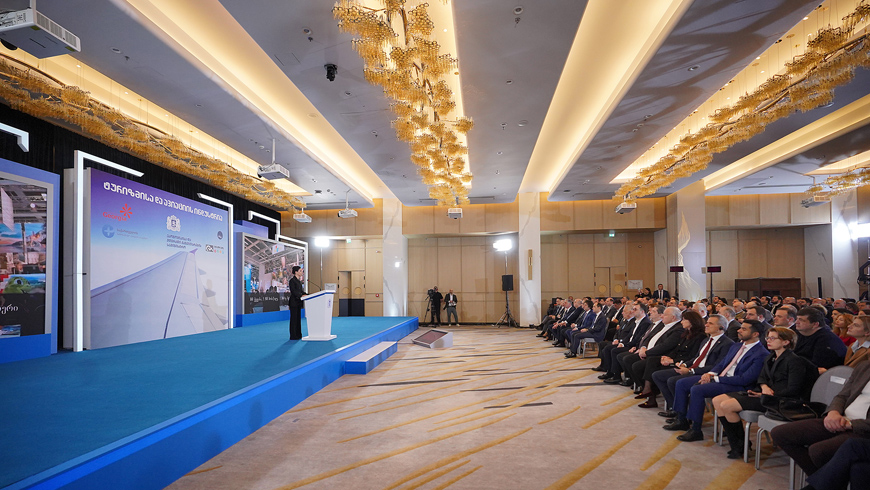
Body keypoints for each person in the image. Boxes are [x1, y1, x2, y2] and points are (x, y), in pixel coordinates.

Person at [712, 327, 816, 459]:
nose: (768, 341)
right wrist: (764, 386)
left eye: (773, 338)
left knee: (727, 406)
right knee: (717, 400)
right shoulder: (770, 357)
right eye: (768, 338)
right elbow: (761, 377)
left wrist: (766, 394)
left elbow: (793, 389)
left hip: (781, 400)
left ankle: (739, 445)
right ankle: (740, 443)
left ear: (786, 342)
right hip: (765, 395)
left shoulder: (794, 361)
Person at [664, 319, 768, 442]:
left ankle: (696, 430)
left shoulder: (761, 353)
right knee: (682, 383)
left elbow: (745, 380)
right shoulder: (737, 346)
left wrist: (716, 378)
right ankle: (682, 419)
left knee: (697, 390)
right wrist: (710, 374)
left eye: (744, 329)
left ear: (755, 334)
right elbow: (722, 363)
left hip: (737, 385)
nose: (739, 330)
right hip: (721, 378)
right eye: (740, 327)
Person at [770, 360, 870, 476]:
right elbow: (842, 396)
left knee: (818, 451)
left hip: (862, 430)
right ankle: (822, 480)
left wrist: (850, 424)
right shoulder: (864, 366)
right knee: (781, 433)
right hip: (840, 418)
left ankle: (821, 482)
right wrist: (833, 412)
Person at [288, 265, 306, 340]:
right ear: (296, 272)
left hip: (298, 302)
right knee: (294, 319)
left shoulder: (299, 281)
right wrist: (301, 295)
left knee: (298, 319)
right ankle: (293, 335)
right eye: (300, 271)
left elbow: (301, 291)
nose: (302, 272)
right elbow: (294, 291)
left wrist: (307, 294)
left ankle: (298, 334)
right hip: (294, 302)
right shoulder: (292, 281)